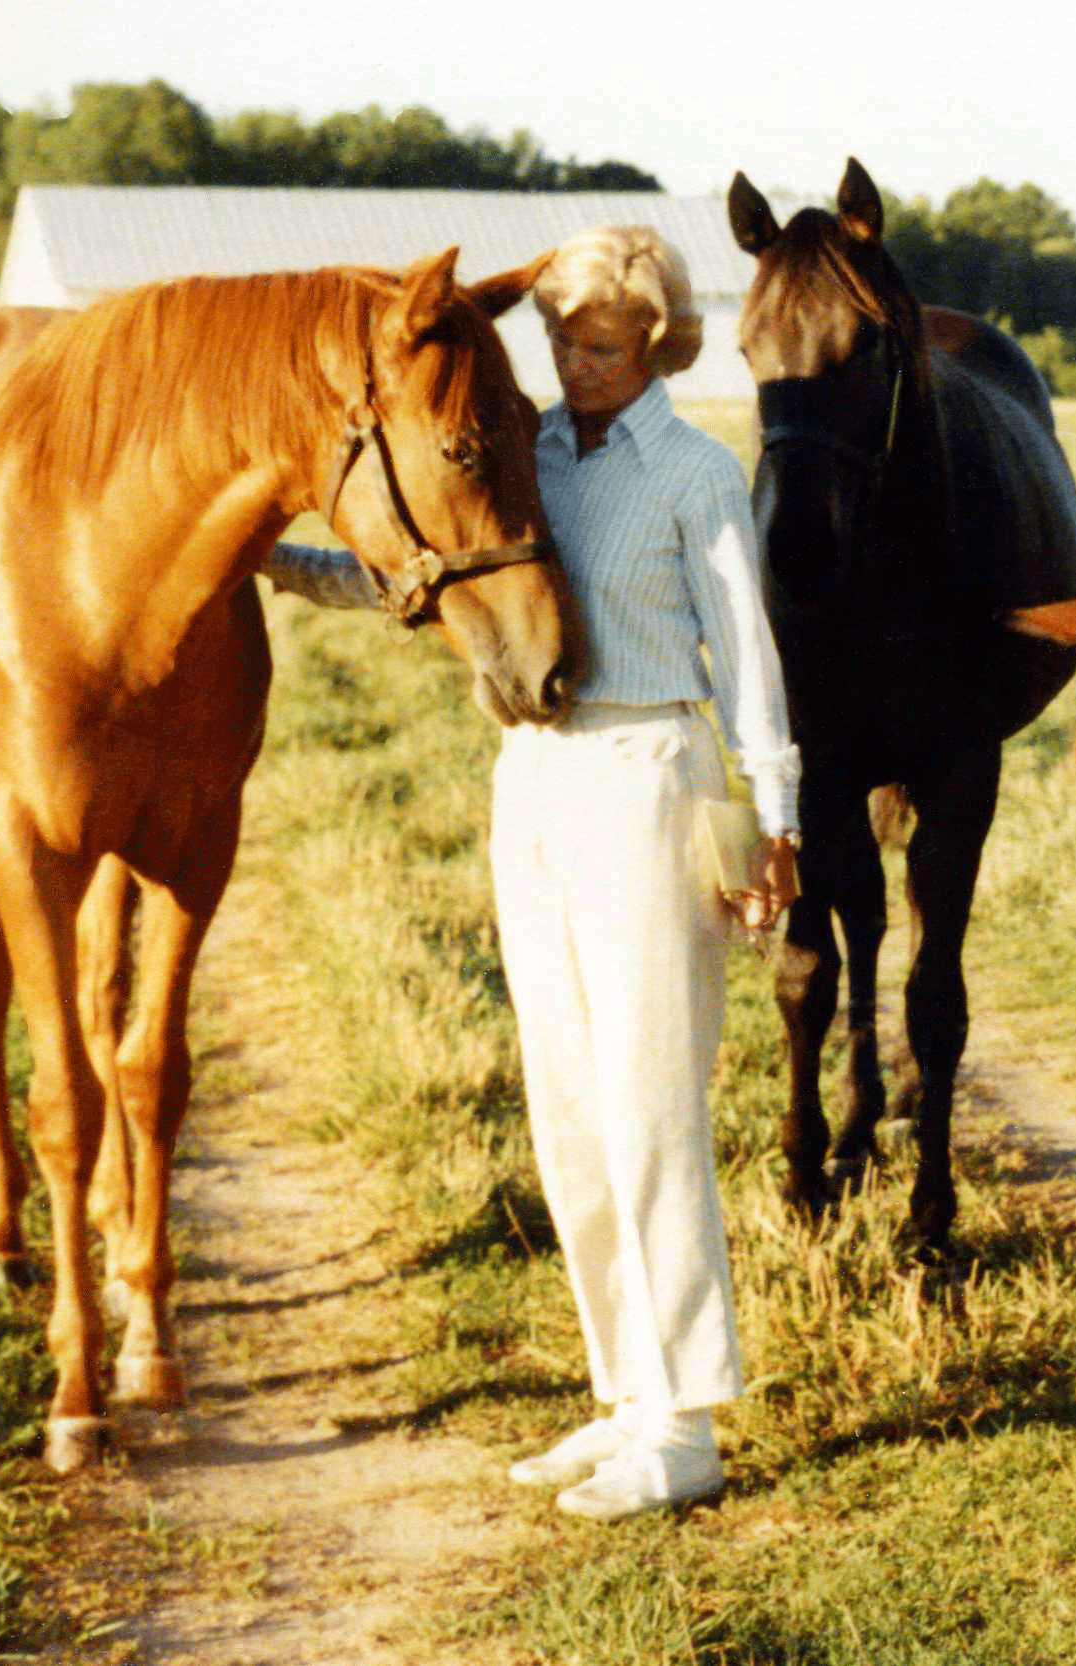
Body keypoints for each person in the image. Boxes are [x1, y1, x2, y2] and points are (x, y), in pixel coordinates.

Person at [265, 226, 798, 1520]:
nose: (574, 359)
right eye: (560, 336)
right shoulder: (537, 448)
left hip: (651, 774)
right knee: (565, 1107)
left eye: (602, 341)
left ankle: (684, 1424)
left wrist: (771, 823)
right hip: (535, 780)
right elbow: (440, 567)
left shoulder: (697, 472)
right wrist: (273, 561)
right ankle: (622, 1391)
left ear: (659, 342)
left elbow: (750, 657)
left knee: (649, 1103)